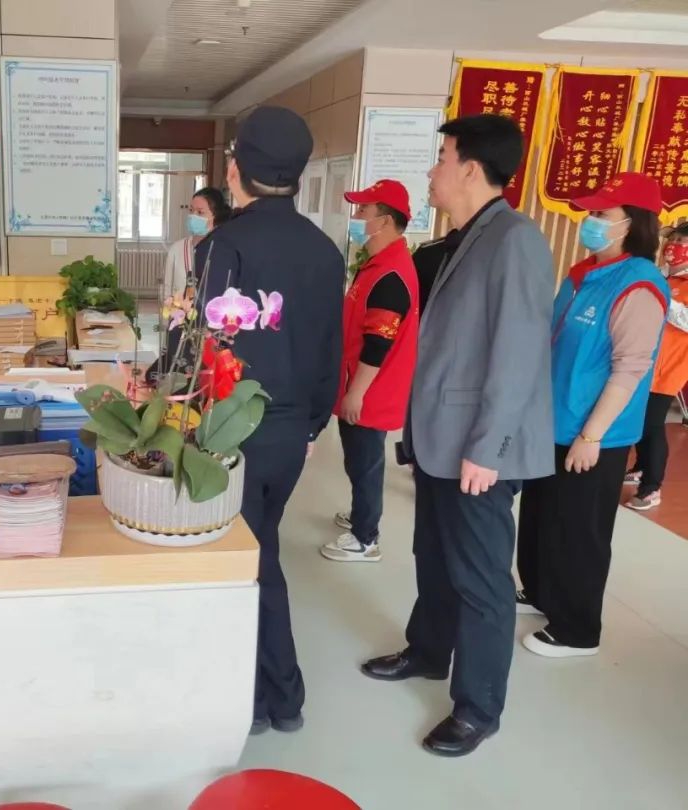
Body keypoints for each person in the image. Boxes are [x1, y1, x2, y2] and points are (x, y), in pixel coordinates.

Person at [360, 114, 555, 757]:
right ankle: (427, 651)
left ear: (471, 167)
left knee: (481, 580)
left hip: (479, 450)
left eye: (441, 157)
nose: (432, 170)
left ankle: (478, 707)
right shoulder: (465, 237)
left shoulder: (514, 240)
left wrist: (487, 448)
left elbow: (518, 353)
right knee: (434, 557)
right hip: (443, 439)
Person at [196, 106, 343, 735]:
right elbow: (331, 351)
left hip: (234, 427)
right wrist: (310, 427)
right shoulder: (325, 250)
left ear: (236, 169)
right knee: (262, 548)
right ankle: (275, 697)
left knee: (248, 560)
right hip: (291, 433)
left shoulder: (223, 245)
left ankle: (271, 698)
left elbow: (203, 346)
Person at [516, 173, 668, 658]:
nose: (591, 221)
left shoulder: (639, 284)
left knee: (579, 531)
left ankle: (578, 630)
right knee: (541, 517)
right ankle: (540, 592)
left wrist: (592, 435)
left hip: (592, 433)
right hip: (553, 420)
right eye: (591, 212)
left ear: (632, 223)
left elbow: (629, 369)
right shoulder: (583, 273)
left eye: (602, 214)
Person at [320, 179, 418, 563]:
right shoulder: (376, 265)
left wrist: (356, 393)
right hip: (359, 384)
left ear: (386, 221)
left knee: (365, 462)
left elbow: (378, 345)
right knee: (357, 459)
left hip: (371, 391)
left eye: (364, 210)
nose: (357, 216)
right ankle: (361, 514)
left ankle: (366, 538)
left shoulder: (391, 274)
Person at [625, 222, 688, 510]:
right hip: (641, 362)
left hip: (668, 369)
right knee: (637, 419)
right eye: (672, 240)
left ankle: (652, 486)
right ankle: (640, 467)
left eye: (682, 242)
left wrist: (662, 295)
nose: (673, 246)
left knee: (652, 424)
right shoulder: (659, 275)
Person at [162, 187, 231, 299]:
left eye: (200, 212)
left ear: (217, 216)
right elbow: (166, 289)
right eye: (191, 210)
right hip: (179, 309)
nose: (193, 216)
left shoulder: (225, 250)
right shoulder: (177, 249)